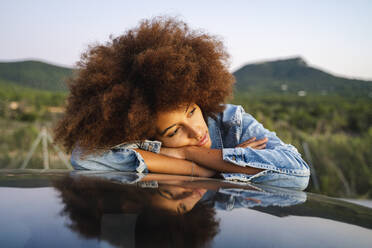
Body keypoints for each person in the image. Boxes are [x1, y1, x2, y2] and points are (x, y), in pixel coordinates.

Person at [53, 16, 310, 189]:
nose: (196, 131)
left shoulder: (230, 121)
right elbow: (84, 155)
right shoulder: (138, 137)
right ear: (143, 133)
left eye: (192, 111)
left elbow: (298, 173)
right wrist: (205, 170)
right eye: (174, 131)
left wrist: (191, 153)